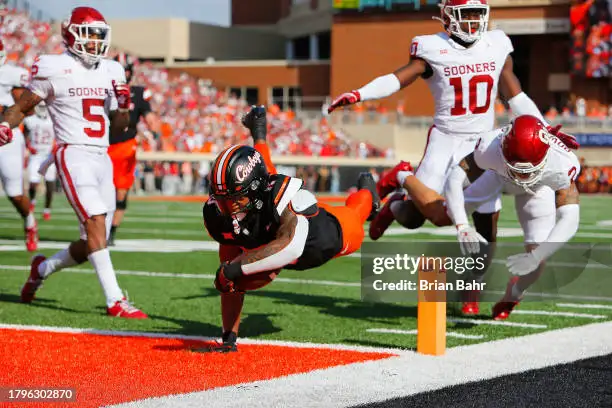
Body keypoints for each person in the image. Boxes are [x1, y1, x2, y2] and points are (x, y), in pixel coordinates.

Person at [327, 0, 571, 261]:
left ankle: (472, 298)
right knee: (415, 219)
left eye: (478, 14)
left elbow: (516, 97)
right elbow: (398, 78)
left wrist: (543, 129)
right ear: (447, 16)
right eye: (466, 14)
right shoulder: (433, 47)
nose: (473, 21)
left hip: (482, 142)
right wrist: (359, 94)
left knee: (487, 224)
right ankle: (399, 185)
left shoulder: (496, 44)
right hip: (445, 138)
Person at [0, 6, 147, 318]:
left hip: (102, 155)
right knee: (95, 222)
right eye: (89, 35)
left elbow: (120, 125)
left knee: (94, 240)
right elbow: (22, 106)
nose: (95, 42)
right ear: (72, 35)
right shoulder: (54, 67)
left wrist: (124, 104)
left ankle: (43, 267)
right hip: (73, 153)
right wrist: (4, 124)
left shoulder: (112, 70)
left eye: (99, 36)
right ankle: (115, 301)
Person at [201, 106, 381, 352]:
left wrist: (233, 270)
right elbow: (229, 270)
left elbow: (290, 247)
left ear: (253, 190)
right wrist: (228, 338)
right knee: (237, 273)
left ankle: (368, 189)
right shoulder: (222, 212)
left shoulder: (280, 199)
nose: (226, 207)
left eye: (234, 199)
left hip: (316, 237)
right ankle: (260, 132)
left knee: (357, 217)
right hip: (270, 226)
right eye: (221, 199)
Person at [378, 115, 581, 319]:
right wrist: (462, 226)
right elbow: (455, 179)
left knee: (537, 261)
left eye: (526, 171)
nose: (521, 175)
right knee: (441, 217)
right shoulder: (490, 148)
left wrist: (537, 256)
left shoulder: (562, 165)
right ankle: (402, 177)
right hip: (496, 173)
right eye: (518, 170)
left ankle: (514, 294)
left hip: (539, 187)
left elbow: (570, 219)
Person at [107, 52, 160, 246]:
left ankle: (111, 231)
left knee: (120, 191)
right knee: (99, 192)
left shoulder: (138, 92)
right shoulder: (103, 89)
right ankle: (99, 229)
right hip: (101, 145)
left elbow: (151, 118)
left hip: (124, 147)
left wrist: (154, 133)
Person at [0, 38, 38, 251]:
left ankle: (29, 221)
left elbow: (28, 108)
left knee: (14, 193)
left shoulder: (12, 74)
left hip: (7, 139)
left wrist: (5, 112)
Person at [24, 102, 56, 221]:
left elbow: (59, 135)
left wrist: (55, 146)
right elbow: (25, 136)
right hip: (36, 155)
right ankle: (32, 201)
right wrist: (28, 145)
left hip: (48, 155)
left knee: (50, 184)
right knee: (33, 182)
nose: (42, 109)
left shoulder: (53, 119)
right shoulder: (30, 120)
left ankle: (47, 209)